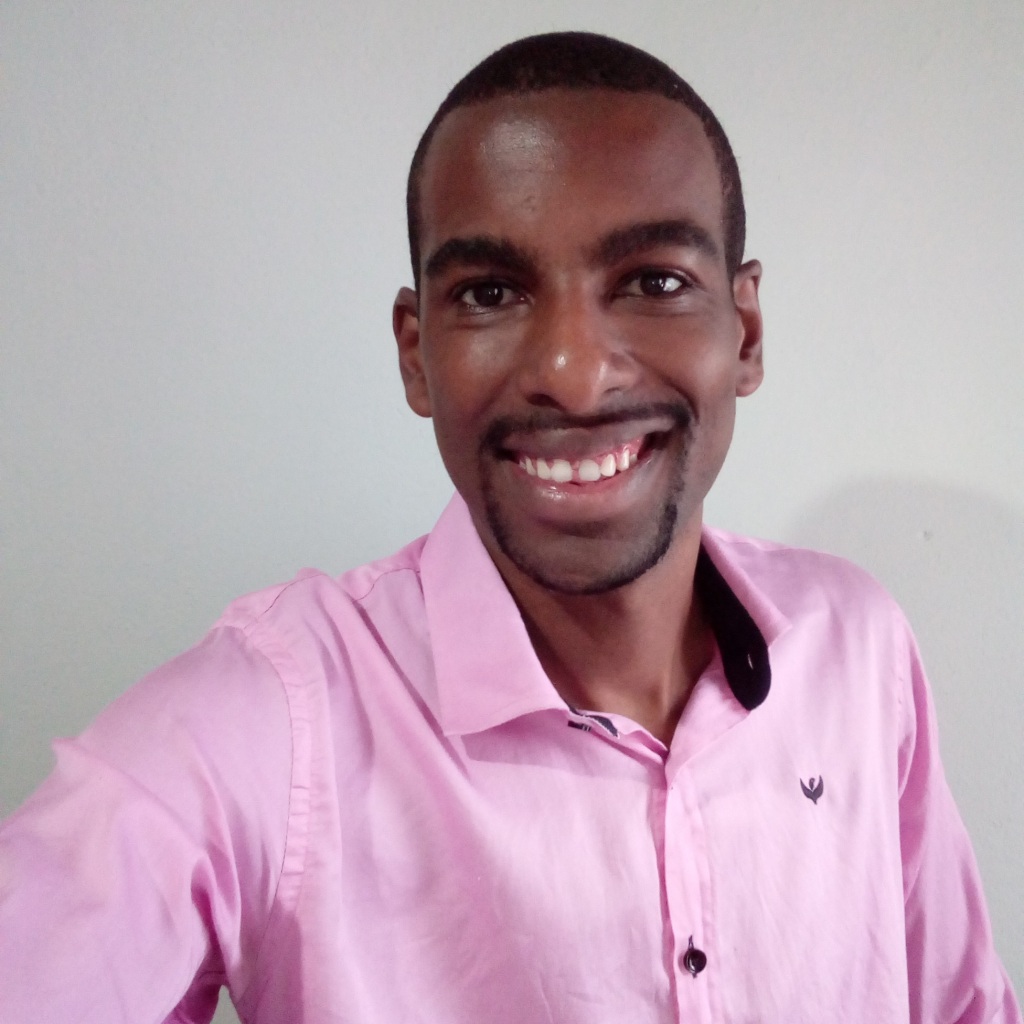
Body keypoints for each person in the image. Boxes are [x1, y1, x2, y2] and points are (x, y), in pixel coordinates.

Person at [0, 30, 1018, 1024]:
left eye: (654, 282)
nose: (573, 374)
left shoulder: (855, 646)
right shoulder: (265, 724)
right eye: (491, 293)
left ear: (744, 331)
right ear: (416, 353)